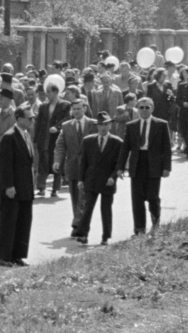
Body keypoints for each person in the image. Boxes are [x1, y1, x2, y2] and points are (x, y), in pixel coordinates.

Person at [72, 111, 125, 246]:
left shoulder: (117, 142)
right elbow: (83, 162)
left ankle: (105, 236)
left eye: (106, 124)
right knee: (88, 207)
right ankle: (83, 234)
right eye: (100, 124)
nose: (103, 127)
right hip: (91, 179)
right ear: (97, 126)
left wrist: (113, 177)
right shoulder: (88, 141)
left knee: (106, 209)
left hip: (108, 181)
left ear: (110, 126)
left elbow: (120, 164)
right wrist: (80, 179)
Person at [123, 96, 173, 237]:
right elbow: (125, 148)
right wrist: (120, 167)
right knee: (137, 198)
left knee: (152, 196)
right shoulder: (131, 125)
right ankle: (139, 230)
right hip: (137, 163)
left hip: (154, 164)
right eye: (141, 107)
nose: (144, 110)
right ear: (137, 109)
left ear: (152, 108)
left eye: (147, 107)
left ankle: (155, 224)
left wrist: (167, 167)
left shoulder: (161, 124)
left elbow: (167, 148)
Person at [0, 103, 36, 266]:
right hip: (13, 187)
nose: (32, 121)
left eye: (32, 118)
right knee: (8, 222)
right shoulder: (9, 136)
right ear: (19, 119)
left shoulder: (26, 134)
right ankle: (3, 256)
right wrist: (9, 185)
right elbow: (4, 164)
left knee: (23, 222)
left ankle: (17, 255)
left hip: (25, 187)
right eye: (29, 118)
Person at [51, 98, 95, 205]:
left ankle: (84, 215)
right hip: (73, 167)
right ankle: (77, 216)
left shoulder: (93, 124)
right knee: (75, 199)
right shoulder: (66, 126)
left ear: (85, 109)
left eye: (78, 109)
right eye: (74, 109)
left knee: (87, 198)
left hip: (89, 167)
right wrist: (57, 161)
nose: (76, 111)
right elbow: (60, 145)